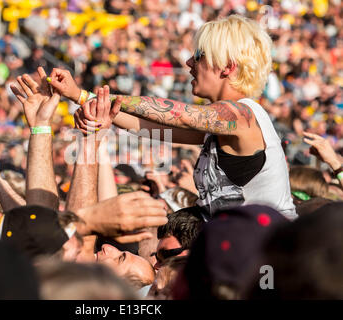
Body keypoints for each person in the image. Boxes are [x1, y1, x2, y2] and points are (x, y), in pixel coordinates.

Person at [46, 15, 297, 220]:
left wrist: (92, 95)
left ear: (228, 66)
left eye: (199, 55)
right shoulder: (220, 124)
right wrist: (80, 96)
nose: (188, 62)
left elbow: (178, 114)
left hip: (270, 259)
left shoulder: (243, 115)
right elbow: (151, 126)